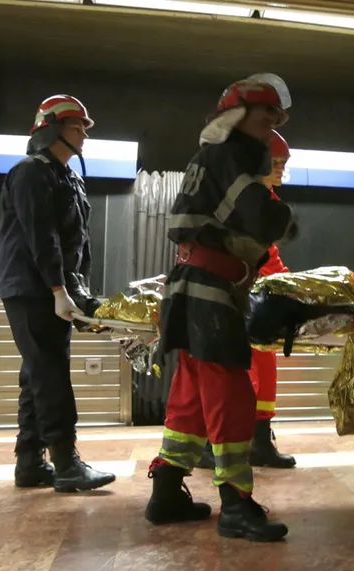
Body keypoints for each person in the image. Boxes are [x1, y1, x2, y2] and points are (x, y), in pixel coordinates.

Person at [144, 73, 297, 543]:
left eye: (277, 113)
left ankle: (167, 491)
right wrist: (284, 217)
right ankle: (236, 503)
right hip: (212, 290)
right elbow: (263, 217)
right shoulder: (231, 156)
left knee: (189, 396)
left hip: (192, 287)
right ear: (235, 114)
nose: (272, 120)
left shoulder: (208, 157)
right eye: (264, 110)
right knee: (232, 392)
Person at [0, 94, 116, 493]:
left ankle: (29, 463)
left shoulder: (69, 176)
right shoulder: (31, 172)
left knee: (36, 372)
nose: (84, 133)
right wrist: (57, 290)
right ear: (51, 129)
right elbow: (41, 237)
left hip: (54, 288)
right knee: (50, 373)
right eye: (77, 126)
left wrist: (78, 290)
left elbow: (76, 241)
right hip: (32, 290)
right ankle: (66, 463)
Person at [195, 129, 296, 471]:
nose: (282, 168)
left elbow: (269, 257)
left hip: (248, 297)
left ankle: (260, 441)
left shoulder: (265, 200)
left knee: (263, 370)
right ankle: (212, 443)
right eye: (277, 162)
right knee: (224, 374)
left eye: (284, 162)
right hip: (227, 296)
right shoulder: (243, 199)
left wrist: (289, 284)